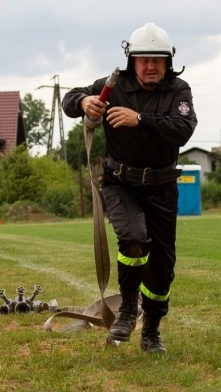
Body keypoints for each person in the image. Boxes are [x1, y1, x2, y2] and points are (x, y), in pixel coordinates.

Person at [61, 22, 196, 354]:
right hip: (121, 184)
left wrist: (141, 119)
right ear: (131, 59)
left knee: (162, 268)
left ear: (168, 61)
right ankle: (124, 312)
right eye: (143, 60)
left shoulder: (179, 90)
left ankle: (151, 330)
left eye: (157, 60)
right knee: (134, 240)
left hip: (163, 189)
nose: (150, 67)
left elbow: (183, 129)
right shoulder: (114, 85)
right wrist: (84, 103)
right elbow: (69, 99)